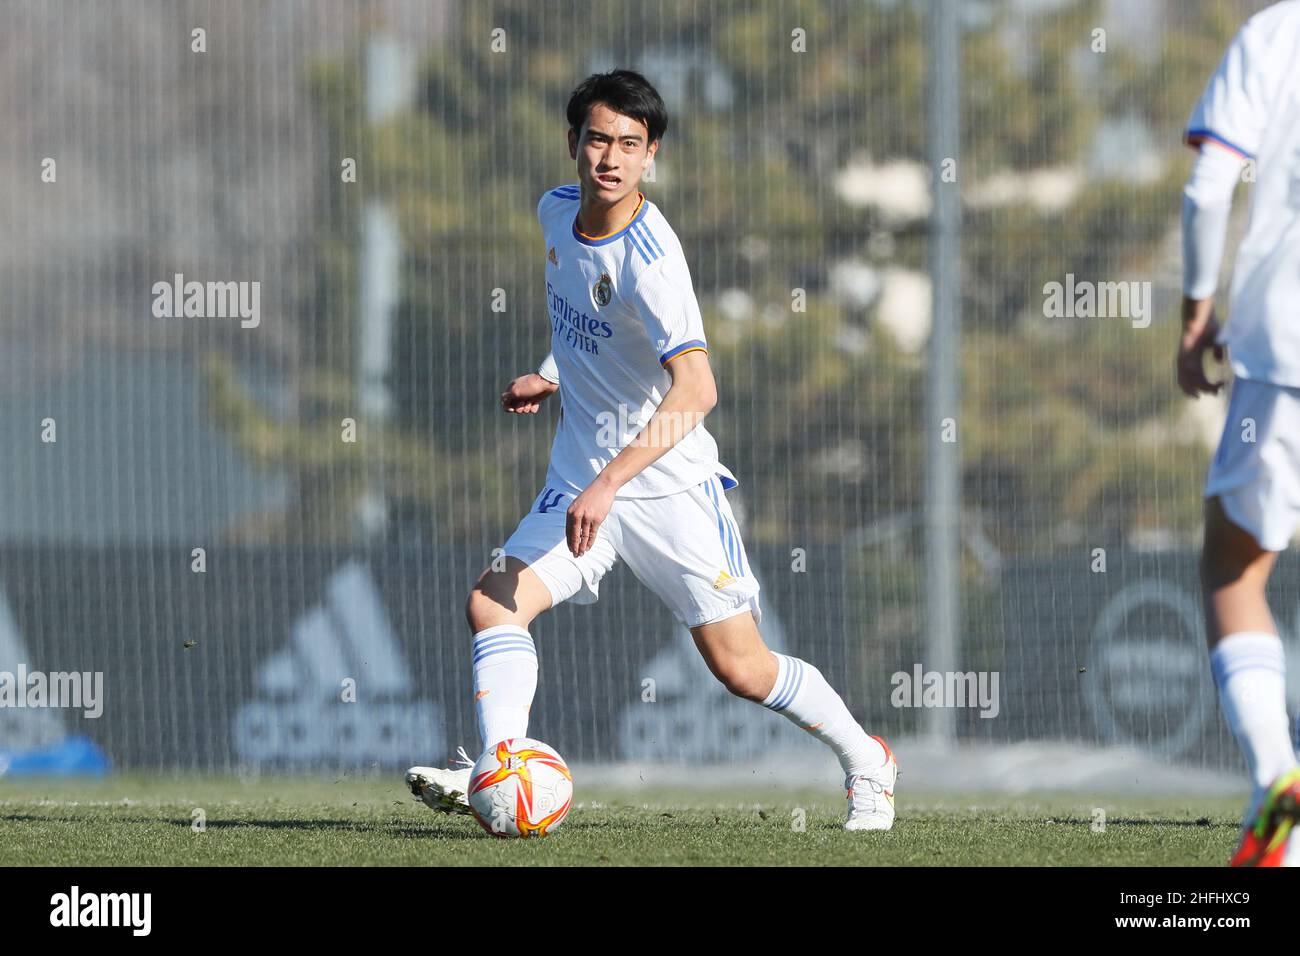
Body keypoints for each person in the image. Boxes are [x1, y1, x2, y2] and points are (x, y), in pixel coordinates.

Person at [406, 69, 896, 831]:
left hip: (666, 488)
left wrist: (608, 484)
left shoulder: (652, 257)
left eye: (630, 145)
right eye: (599, 139)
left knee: (741, 668)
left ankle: (869, 761)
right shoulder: (555, 211)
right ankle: (500, 765)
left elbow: (696, 389)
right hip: (579, 478)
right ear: (573, 143)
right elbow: (585, 322)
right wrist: (550, 373)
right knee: (493, 601)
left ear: (650, 155)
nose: (612, 158)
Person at [1178, 0, 1300, 866]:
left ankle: (1276, 783)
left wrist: (1195, 312)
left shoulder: (1277, 30)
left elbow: (1207, 185)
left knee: (1233, 567)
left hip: (1282, 349)